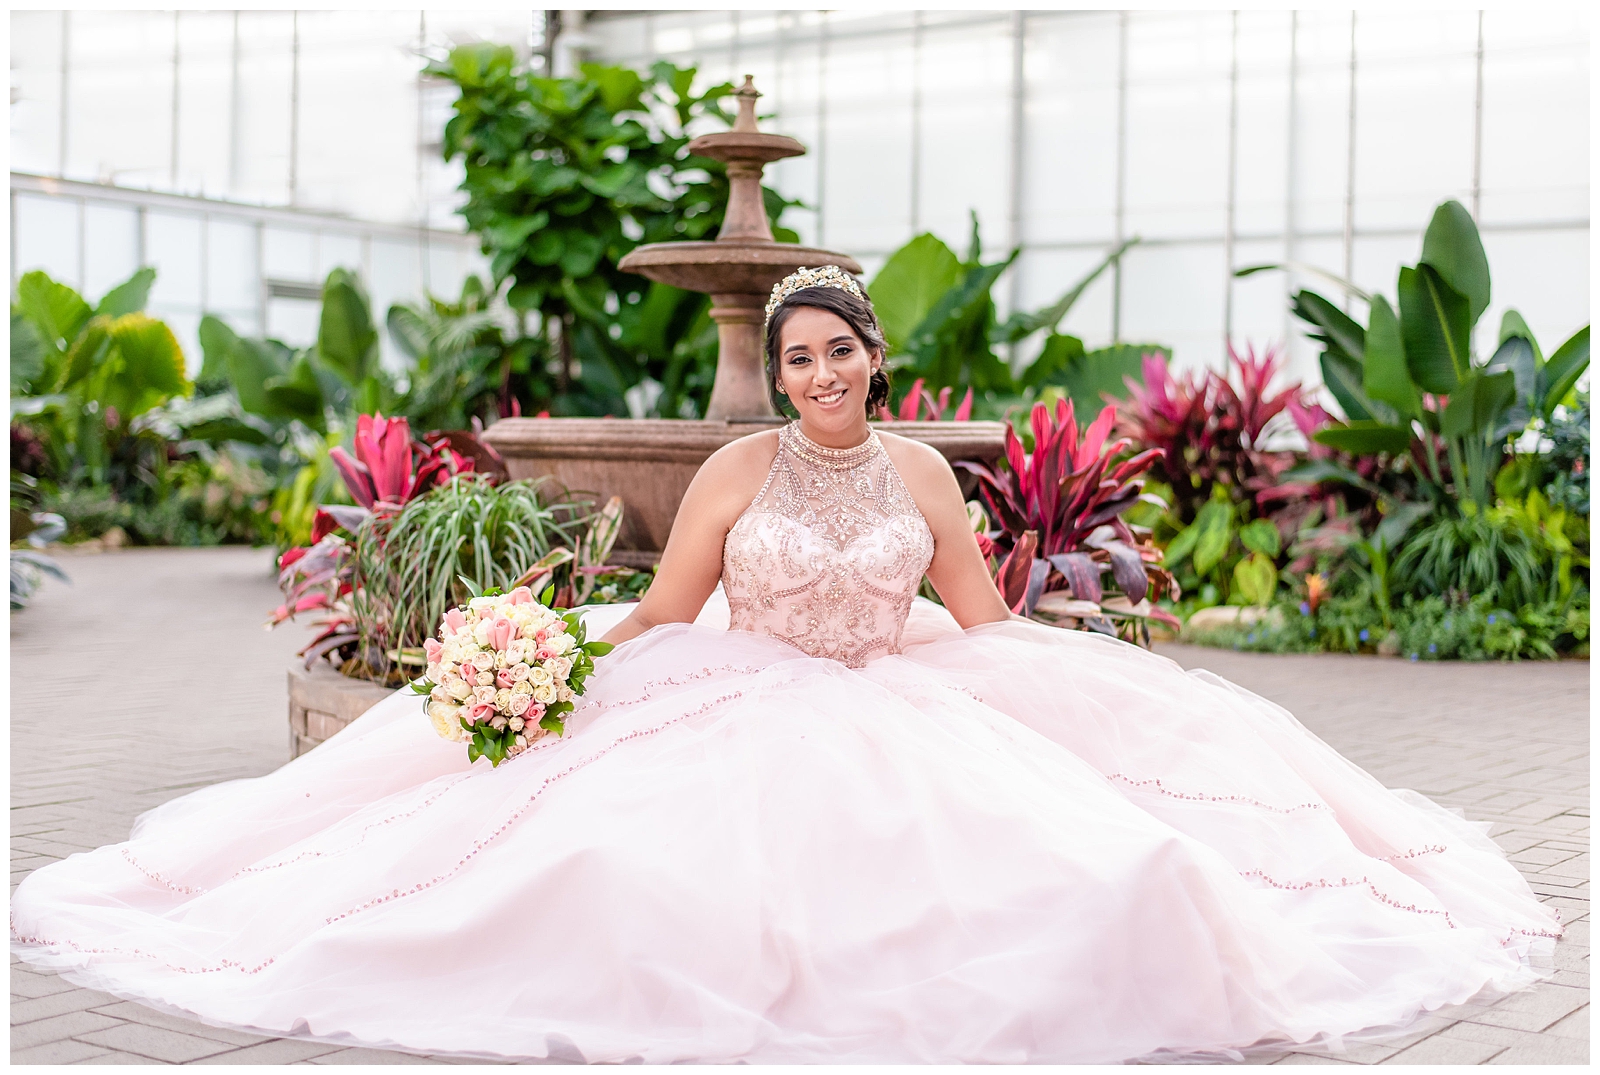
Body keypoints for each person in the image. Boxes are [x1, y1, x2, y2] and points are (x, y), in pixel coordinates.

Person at [11, 266, 1560, 1064]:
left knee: (1106, 859)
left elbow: (984, 624)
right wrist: (533, 652)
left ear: (877, 355)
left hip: (899, 702)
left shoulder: (933, 478)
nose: (818, 374)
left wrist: (1089, 686)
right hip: (735, 703)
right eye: (798, 355)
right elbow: (667, 616)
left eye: (840, 351)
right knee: (604, 878)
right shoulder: (737, 470)